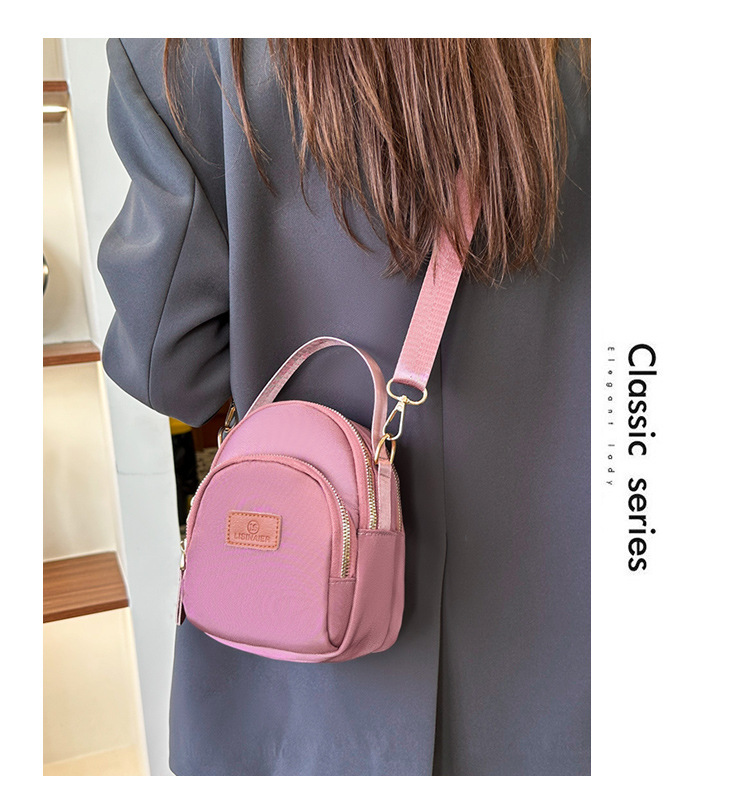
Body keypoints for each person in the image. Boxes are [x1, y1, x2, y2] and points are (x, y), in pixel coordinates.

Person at [98, 38, 591, 776]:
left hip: (298, 693)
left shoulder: (187, 48)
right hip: (561, 670)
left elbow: (167, 366)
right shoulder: (585, 54)